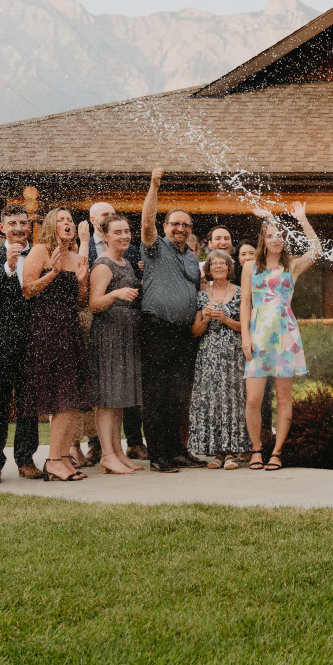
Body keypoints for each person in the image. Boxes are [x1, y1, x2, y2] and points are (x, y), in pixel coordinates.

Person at [240, 204, 319, 471]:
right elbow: (245, 304)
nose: (276, 239)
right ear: (263, 239)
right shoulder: (250, 267)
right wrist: (245, 337)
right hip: (258, 335)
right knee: (253, 398)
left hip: (285, 336)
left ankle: (277, 452)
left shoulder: (292, 266)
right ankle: (256, 449)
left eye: (280, 235)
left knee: (284, 399)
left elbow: (316, 250)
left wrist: (302, 219)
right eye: (271, 235)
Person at [19, 208, 93, 482]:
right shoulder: (41, 250)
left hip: (69, 329)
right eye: (61, 220)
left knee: (72, 400)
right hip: (46, 329)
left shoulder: (76, 257)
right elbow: (27, 290)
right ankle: (52, 461)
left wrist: (82, 281)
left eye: (70, 220)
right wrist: (53, 271)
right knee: (62, 399)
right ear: (52, 225)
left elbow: (81, 300)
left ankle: (62, 458)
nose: (67, 223)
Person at [0, 204, 43, 485]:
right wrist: (9, 267)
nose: (18, 228)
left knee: (29, 403)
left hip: (32, 338)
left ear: (29, 226)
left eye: (23, 223)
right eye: (12, 223)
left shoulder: (40, 255)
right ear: (2, 227)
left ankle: (26, 460)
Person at [138, 168, 201, 473]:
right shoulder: (155, 247)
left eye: (185, 225)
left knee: (178, 395)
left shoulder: (191, 256)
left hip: (183, 334)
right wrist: (154, 185)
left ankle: (177, 451)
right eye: (175, 223)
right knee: (157, 395)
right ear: (165, 227)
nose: (180, 228)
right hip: (157, 330)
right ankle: (158, 455)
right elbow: (145, 222)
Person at [86, 200, 145, 461]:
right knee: (108, 399)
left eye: (127, 231)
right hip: (109, 336)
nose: (124, 236)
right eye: (117, 232)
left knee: (119, 399)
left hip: (126, 336)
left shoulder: (126, 263)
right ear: (106, 236)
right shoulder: (103, 264)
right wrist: (116, 294)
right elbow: (94, 304)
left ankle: (119, 452)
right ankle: (107, 455)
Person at [190, 250, 250, 467]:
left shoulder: (241, 292)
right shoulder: (202, 295)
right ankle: (217, 453)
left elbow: (246, 327)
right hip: (208, 356)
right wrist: (206, 318)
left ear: (229, 268)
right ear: (208, 269)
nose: (218, 267)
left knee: (233, 400)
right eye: (213, 264)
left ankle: (232, 452)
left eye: (222, 263)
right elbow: (195, 331)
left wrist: (225, 319)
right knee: (212, 400)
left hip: (233, 355)